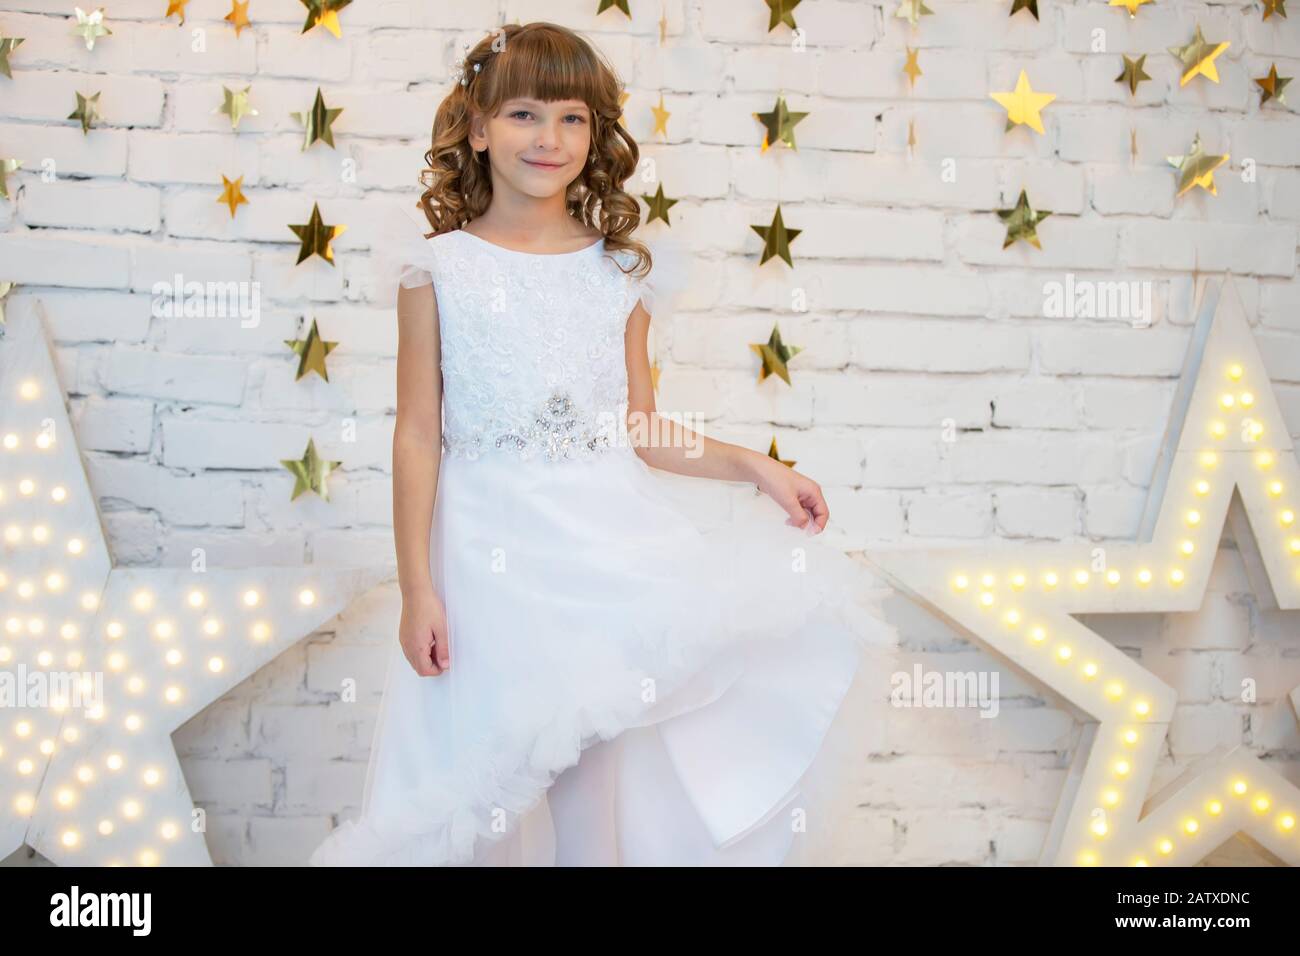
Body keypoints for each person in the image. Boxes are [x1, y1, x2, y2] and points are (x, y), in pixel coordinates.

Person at [308, 20, 898, 867]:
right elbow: (418, 433)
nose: (548, 138)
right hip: (487, 567)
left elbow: (638, 425)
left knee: (594, 784)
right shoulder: (437, 268)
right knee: (489, 779)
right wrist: (417, 588)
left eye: (572, 118)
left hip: (602, 555)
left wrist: (753, 465)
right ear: (477, 129)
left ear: (596, 134)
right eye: (522, 114)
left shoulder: (620, 271)